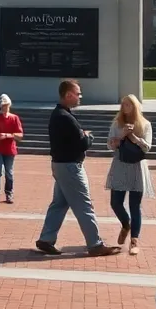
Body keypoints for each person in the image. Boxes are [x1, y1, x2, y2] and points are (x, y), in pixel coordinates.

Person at [35, 80, 119, 257]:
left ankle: (46, 239)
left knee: (59, 203)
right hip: (70, 167)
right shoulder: (65, 117)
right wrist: (88, 137)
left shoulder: (59, 114)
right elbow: (82, 144)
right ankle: (95, 244)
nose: (80, 97)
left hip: (60, 165)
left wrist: (82, 135)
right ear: (68, 95)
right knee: (84, 205)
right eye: (78, 93)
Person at [106, 94, 154, 255]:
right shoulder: (116, 123)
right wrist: (121, 135)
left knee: (135, 205)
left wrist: (133, 137)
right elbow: (110, 145)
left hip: (137, 167)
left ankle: (134, 240)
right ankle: (126, 224)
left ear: (135, 106)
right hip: (120, 165)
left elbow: (147, 148)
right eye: (123, 104)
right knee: (115, 202)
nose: (125, 107)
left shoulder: (145, 124)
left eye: (128, 104)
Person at [0, 94, 24, 204]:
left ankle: (9, 193)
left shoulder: (14, 118)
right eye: (2, 106)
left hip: (10, 150)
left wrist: (8, 135)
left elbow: (20, 136)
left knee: (9, 173)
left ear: (9, 105)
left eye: (6, 105)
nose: (4, 108)